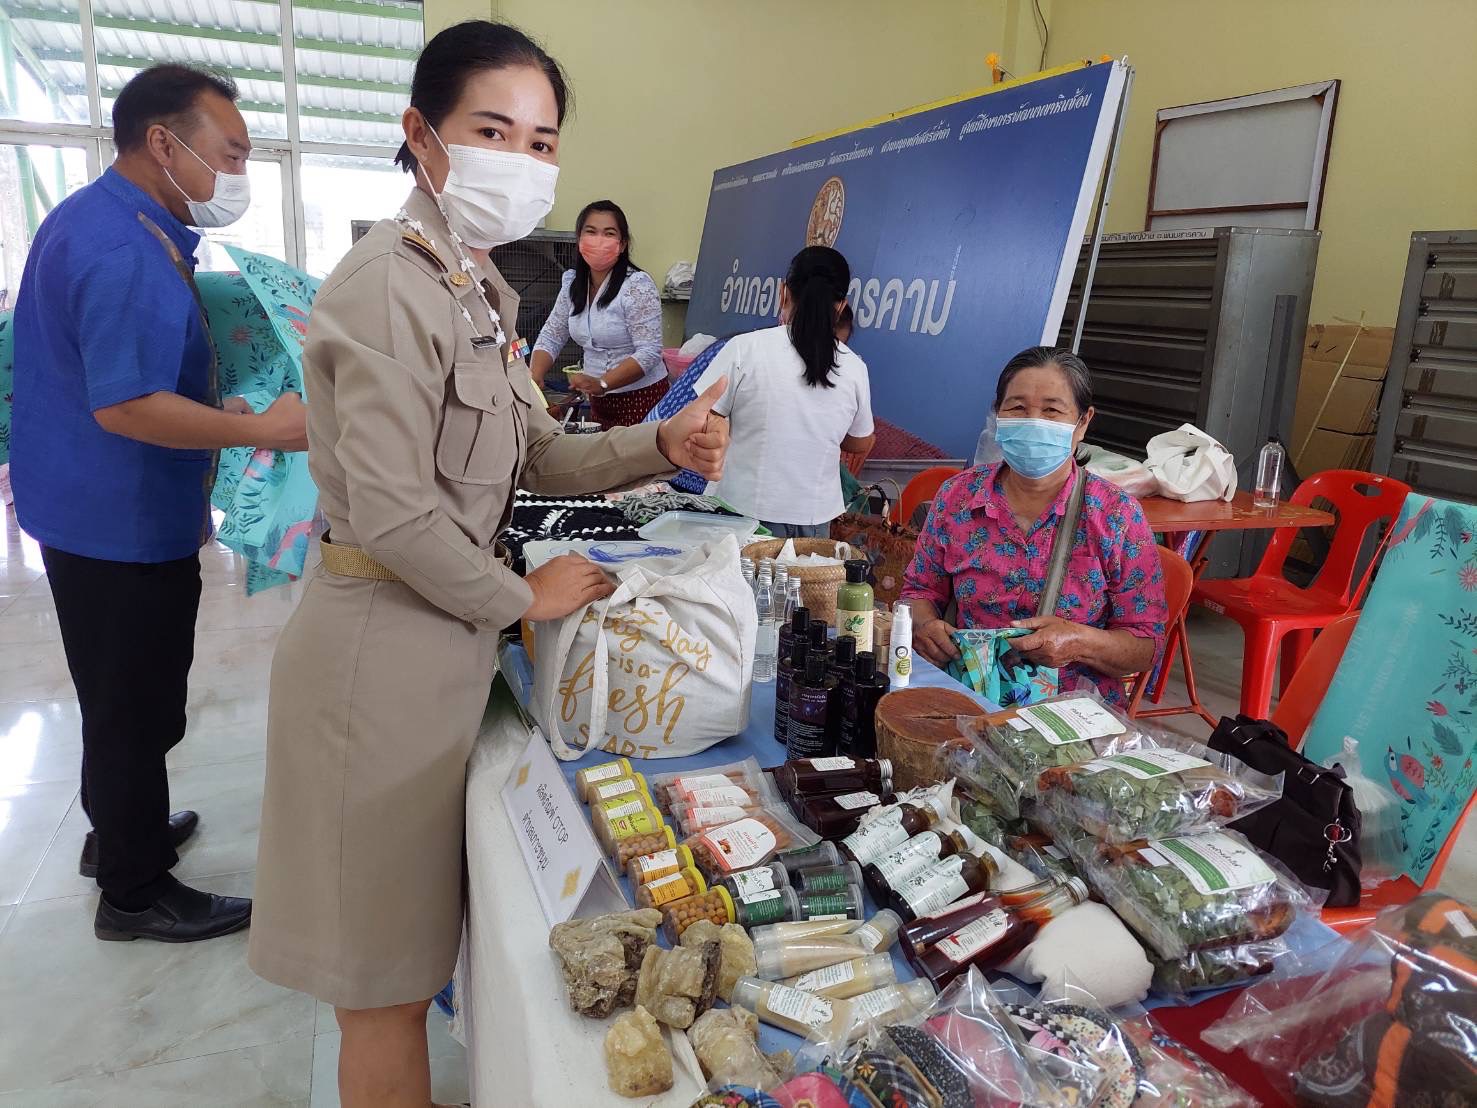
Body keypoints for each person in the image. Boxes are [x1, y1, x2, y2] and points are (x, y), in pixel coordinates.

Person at [246, 22, 728, 1108]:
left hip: (441, 648)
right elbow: (395, 513)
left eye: (544, 140)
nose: (523, 160)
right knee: (384, 988)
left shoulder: (477, 287)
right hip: (376, 660)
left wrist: (664, 438)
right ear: (422, 136)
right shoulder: (383, 286)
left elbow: (536, 448)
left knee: (419, 959)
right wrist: (523, 597)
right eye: (492, 129)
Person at [9, 65, 307, 944]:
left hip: (90, 507)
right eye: (232, 153)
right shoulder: (122, 250)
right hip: (117, 520)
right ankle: (135, 895)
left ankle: (118, 833)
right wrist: (276, 434)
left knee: (122, 698)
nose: (239, 175)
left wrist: (224, 408)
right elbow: (126, 404)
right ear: (163, 143)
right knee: (135, 705)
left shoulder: (112, 217)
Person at [899, 346, 1167, 705]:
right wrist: (925, 627)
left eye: (1052, 410)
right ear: (998, 414)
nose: (1033, 421)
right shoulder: (957, 497)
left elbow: (1146, 645)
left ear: (1083, 421)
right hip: (967, 698)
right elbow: (918, 591)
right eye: (1017, 408)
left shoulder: (1117, 516)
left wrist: (1078, 642)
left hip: (1071, 715)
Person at [707, 245, 875, 538]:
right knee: (804, 583)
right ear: (840, 306)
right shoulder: (854, 367)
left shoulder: (744, 348)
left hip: (740, 513)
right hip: (812, 520)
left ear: (783, 292)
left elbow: (705, 415)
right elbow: (860, 443)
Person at [529, 199, 668, 427]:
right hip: (598, 401)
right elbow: (552, 335)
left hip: (641, 398)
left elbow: (650, 351)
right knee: (603, 460)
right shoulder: (572, 284)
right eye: (591, 232)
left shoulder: (637, 285)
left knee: (636, 459)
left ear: (622, 244)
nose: (599, 240)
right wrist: (534, 375)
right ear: (579, 239)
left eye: (609, 233)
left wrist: (603, 383)